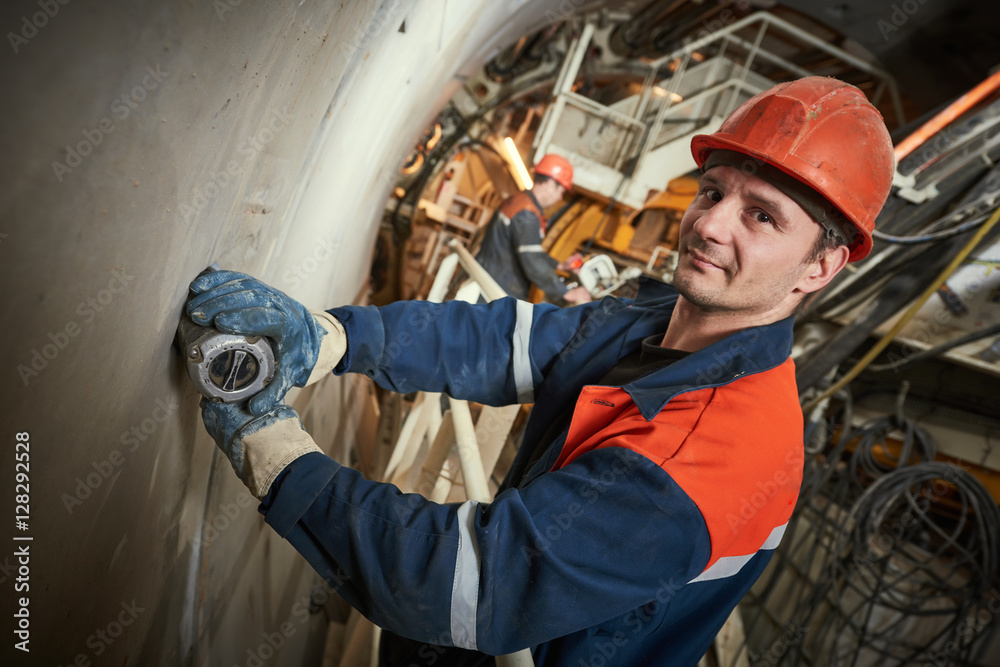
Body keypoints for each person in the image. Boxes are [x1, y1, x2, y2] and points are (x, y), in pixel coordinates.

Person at [185, 77, 895, 666]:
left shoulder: (721, 451)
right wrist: (333, 336)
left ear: (823, 264)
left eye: (762, 216)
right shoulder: (654, 321)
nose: (711, 225)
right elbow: (507, 340)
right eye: (714, 192)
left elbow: (476, 582)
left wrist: (274, 451)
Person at [474, 152, 592, 304]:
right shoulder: (527, 214)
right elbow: (532, 260)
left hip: (488, 282)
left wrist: (560, 265)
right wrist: (566, 292)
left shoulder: (519, 201)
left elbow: (530, 251)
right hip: (494, 293)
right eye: (561, 191)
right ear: (550, 184)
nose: (560, 198)